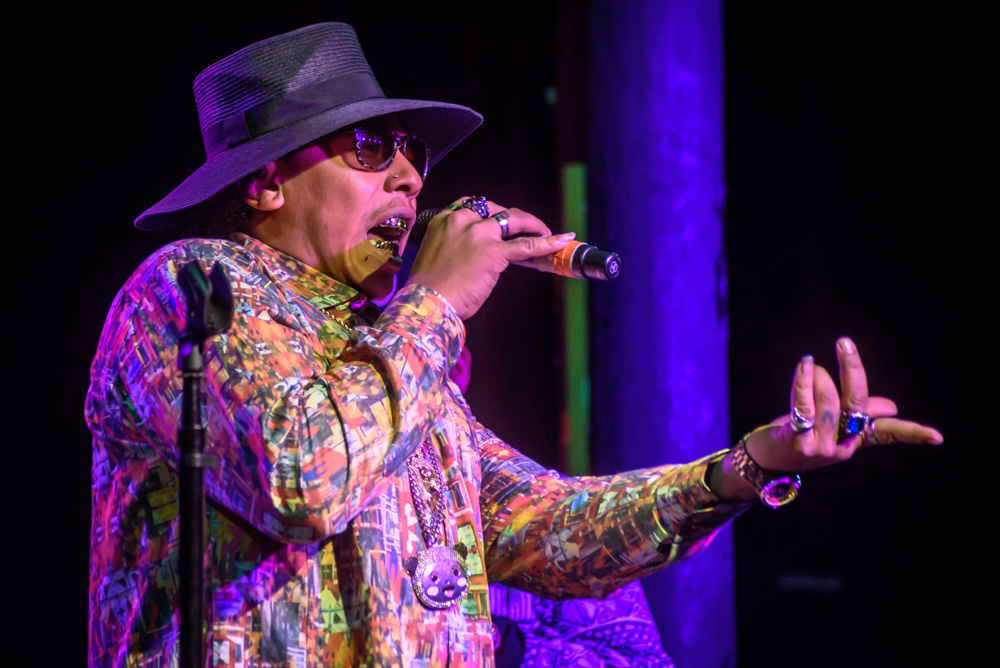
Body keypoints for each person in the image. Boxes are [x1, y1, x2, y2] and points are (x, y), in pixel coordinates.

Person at [85, 23, 943, 667]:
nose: (409, 177)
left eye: (414, 153)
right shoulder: (191, 288)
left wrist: (750, 465)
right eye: (371, 147)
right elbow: (300, 475)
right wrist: (433, 301)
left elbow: (548, 527)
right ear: (267, 179)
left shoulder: (389, 348)